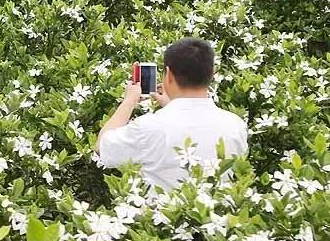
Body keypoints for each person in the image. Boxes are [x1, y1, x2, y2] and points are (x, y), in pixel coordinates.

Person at [96, 37, 247, 189]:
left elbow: (102, 147)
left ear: (168, 74)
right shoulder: (236, 125)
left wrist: (129, 100)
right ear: (212, 73)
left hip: (163, 212)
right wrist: (170, 106)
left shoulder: (149, 126)